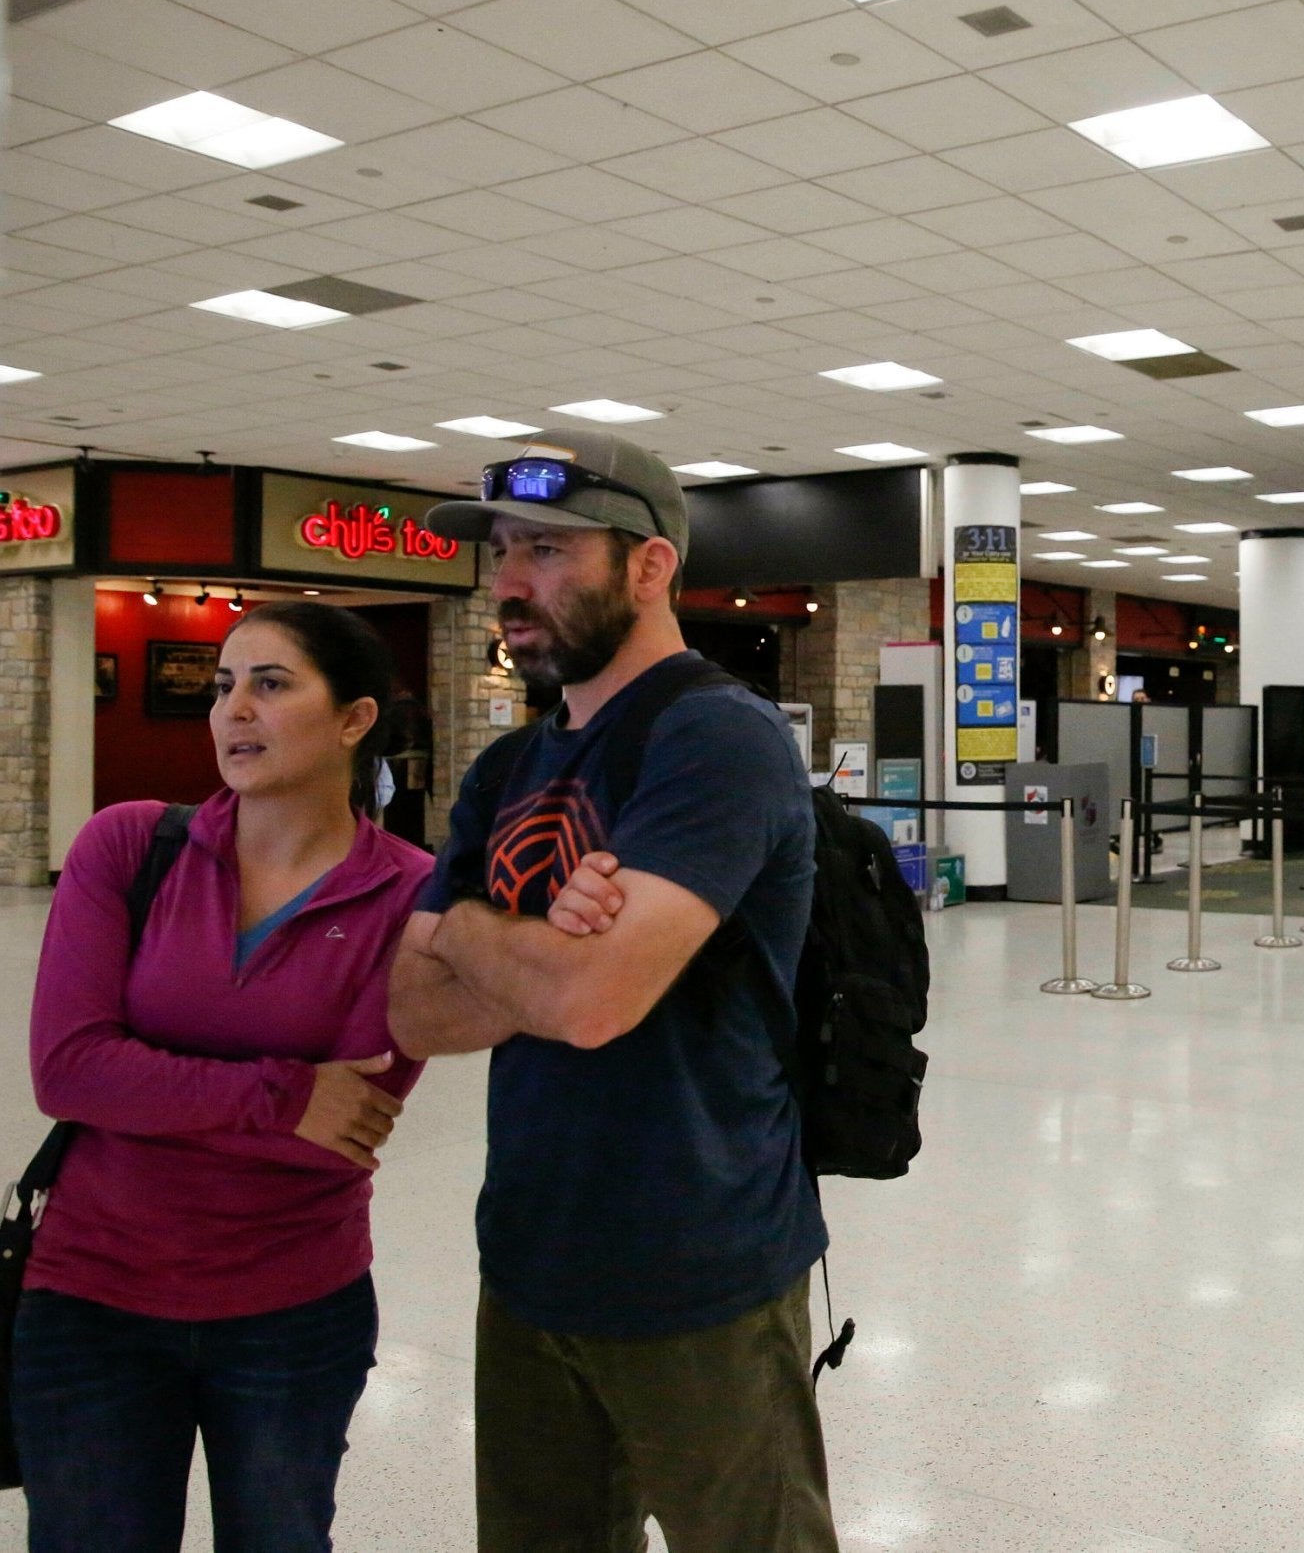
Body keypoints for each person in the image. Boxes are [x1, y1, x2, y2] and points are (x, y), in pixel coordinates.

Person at [387, 431, 837, 1553]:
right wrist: (537, 939)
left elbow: (592, 1003)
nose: (507, 581)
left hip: (702, 1262)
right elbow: (411, 1007)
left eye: (545, 547)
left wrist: (469, 928)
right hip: (532, 1255)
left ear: (648, 567)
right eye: (501, 551)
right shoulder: (510, 768)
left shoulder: (715, 740)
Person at [15, 601, 430, 1553]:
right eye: (223, 686)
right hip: (92, 1298)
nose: (234, 710)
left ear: (354, 718)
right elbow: (69, 1067)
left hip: (293, 1309)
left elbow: (354, 1112)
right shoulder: (128, 846)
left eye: (272, 684)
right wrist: (282, 1093)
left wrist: (159, 1081)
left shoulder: (409, 895)